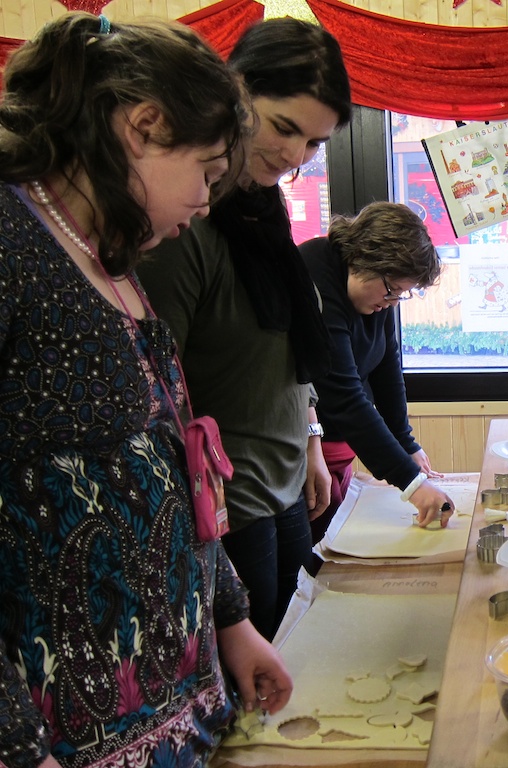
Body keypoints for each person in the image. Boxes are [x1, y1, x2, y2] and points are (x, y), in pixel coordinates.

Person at [0, 14, 291, 768]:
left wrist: (230, 621)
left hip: (180, 713)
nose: (206, 200)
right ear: (144, 125)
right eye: (204, 169)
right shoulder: (9, 239)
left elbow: (173, 459)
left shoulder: (109, 257)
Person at [137, 18, 349, 641]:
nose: (293, 156)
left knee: (291, 652)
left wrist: (310, 433)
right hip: (231, 506)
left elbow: (284, 347)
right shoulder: (185, 221)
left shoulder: (264, 210)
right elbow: (157, 387)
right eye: (284, 127)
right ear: (235, 92)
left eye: (313, 143)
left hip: (282, 483)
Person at [299, 202, 452, 543]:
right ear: (367, 259)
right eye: (392, 291)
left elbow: (387, 367)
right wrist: (412, 484)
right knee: (314, 558)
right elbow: (345, 398)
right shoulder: (315, 279)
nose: (393, 302)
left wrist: (406, 442)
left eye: (402, 294)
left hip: (339, 448)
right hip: (302, 450)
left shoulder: (375, 290)